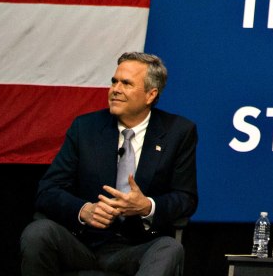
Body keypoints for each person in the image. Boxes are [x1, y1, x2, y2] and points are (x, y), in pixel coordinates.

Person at [21, 51, 198, 276]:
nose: (115, 89)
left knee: (169, 248)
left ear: (150, 95)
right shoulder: (85, 128)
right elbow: (48, 190)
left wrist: (146, 206)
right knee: (38, 232)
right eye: (114, 82)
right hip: (82, 245)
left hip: (138, 247)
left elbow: (185, 198)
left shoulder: (178, 132)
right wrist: (85, 210)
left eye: (126, 83)